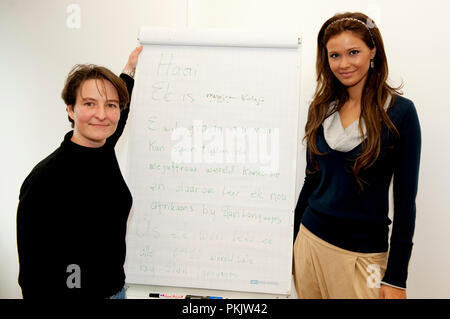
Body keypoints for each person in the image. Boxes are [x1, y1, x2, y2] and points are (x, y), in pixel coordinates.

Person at [292, 12, 421, 299]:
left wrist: (396, 279)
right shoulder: (322, 108)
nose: (344, 63)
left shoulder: (400, 113)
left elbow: (405, 203)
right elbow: (310, 182)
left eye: (354, 52)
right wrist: (292, 245)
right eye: (334, 55)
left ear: (373, 51)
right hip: (309, 245)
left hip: (364, 258)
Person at [16, 46, 143, 298]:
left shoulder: (103, 149)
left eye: (111, 105)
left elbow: (119, 111)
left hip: (116, 291)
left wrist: (130, 68)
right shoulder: (45, 178)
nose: (101, 114)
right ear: (70, 109)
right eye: (89, 103)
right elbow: (32, 275)